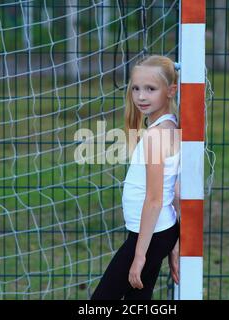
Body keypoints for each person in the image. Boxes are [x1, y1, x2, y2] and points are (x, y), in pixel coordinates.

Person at [91, 55, 181, 300]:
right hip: (158, 233)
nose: (141, 96)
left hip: (150, 235)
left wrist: (139, 255)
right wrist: (173, 243)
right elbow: (175, 190)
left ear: (171, 91)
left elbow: (155, 199)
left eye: (150, 89)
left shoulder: (157, 136)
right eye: (136, 89)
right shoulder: (168, 126)